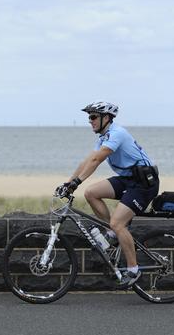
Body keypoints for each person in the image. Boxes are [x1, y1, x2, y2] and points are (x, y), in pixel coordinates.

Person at [56, 101, 159, 288]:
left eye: (93, 117)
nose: (90, 121)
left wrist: (77, 182)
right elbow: (87, 161)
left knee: (118, 222)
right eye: (89, 117)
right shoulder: (103, 137)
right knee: (91, 193)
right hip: (128, 179)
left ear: (107, 118)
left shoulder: (117, 134)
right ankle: (112, 233)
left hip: (144, 183)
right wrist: (69, 183)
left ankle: (133, 270)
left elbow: (97, 160)